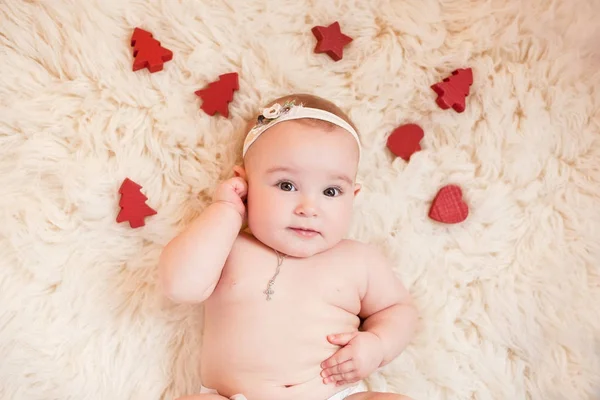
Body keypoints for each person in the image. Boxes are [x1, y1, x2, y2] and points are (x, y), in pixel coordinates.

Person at [159, 93, 418, 400]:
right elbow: (180, 286)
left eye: (331, 191)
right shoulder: (229, 246)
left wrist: (377, 344)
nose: (309, 208)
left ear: (354, 196)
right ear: (244, 184)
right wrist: (225, 211)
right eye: (286, 185)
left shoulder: (358, 259)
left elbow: (399, 310)